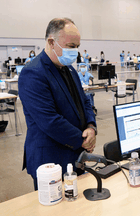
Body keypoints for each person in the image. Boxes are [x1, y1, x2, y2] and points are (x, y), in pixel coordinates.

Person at [18, 18, 97, 191]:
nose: (75, 52)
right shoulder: (33, 73)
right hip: (50, 160)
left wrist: (91, 127)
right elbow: (49, 121)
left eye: (77, 46)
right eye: (70, 46)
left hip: (76, 155)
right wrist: (83, 140)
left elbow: (84, 101)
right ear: (51, 42)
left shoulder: (69, 69)